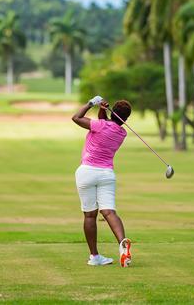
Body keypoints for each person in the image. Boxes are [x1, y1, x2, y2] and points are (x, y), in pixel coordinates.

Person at [71, 95, 132, 267]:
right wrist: (103, 110)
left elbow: (76, 118)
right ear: (125, 118)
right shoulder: (122, 133)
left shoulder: (100, 126)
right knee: (109, 212)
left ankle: (95, 256)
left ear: (114, 113)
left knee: (90, 215)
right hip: (106, 174)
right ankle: (122, 245)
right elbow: (105, 124)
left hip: (87, 172)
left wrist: (91, 103)